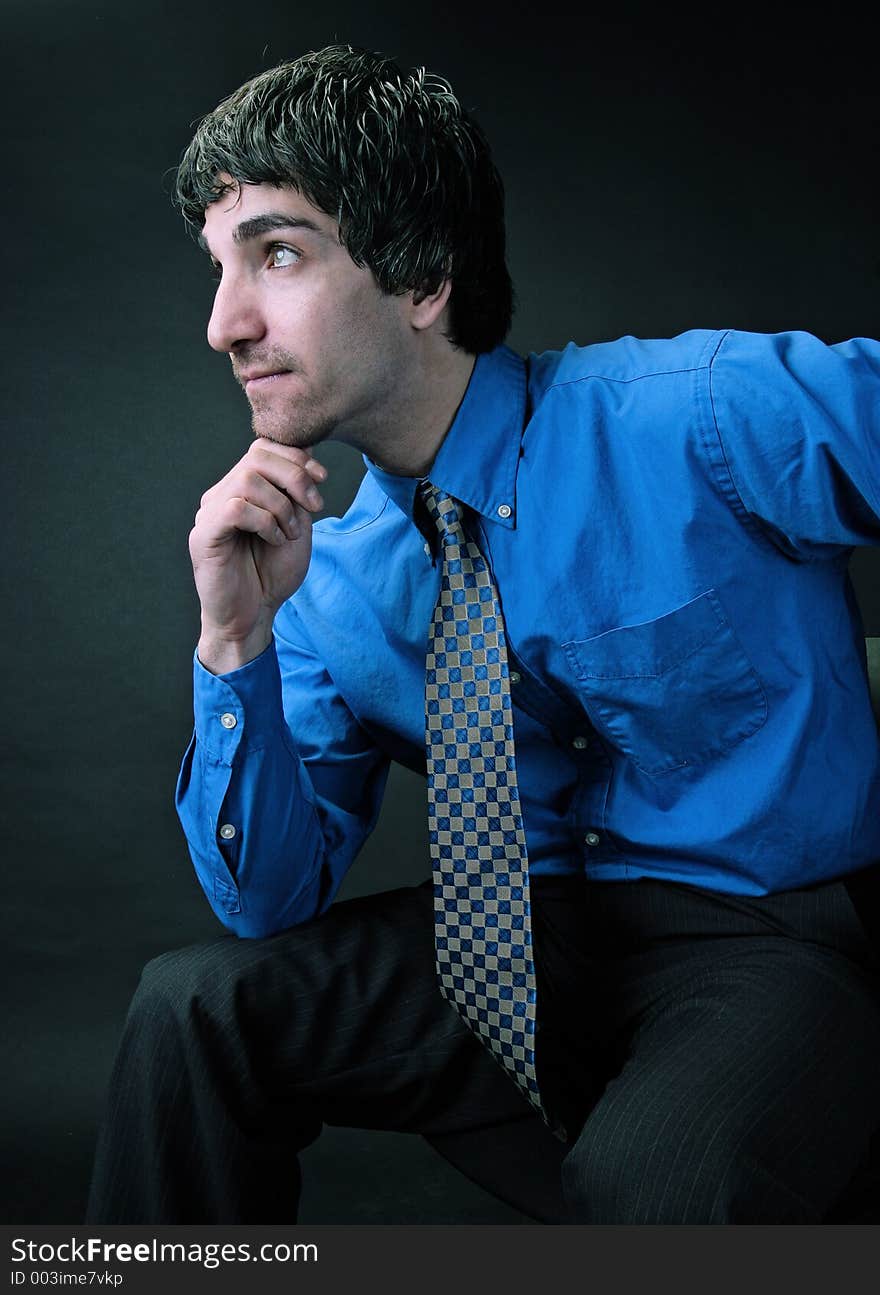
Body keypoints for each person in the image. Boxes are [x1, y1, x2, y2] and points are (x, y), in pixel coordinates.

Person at [86, 43, 880, 1225]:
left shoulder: (700, 414)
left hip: (758, 937)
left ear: (422, 276)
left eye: (279, 253)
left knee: (650, 1182)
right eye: (217, 269)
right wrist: (235, 638)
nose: (224, 323)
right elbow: (265, 902)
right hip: (512, 942)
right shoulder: (321, 577)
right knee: (194, 1005)